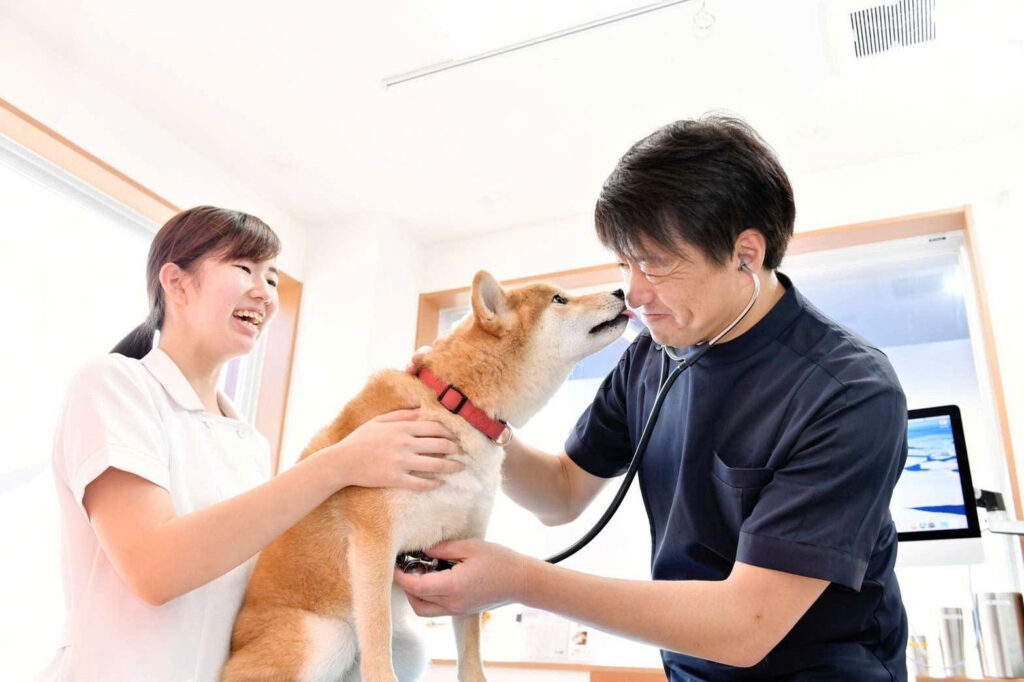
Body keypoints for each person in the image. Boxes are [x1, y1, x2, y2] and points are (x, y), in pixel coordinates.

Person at [395, 116, 909, 680]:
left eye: (656, 263)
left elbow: (746, 625)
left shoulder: (849, 392)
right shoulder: (651, 356)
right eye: (625, 263)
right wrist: (471, 417)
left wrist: (521, 581)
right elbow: (561, 495)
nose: (634, 293)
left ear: (746, 253)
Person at [38, 206, 463, 682]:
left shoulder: (249, 445)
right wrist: (338, 464)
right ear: (176, 282)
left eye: (273, 279)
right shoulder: (113, 385)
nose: (265, 293)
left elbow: (254, 591)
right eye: (244, 268)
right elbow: (154, 568)